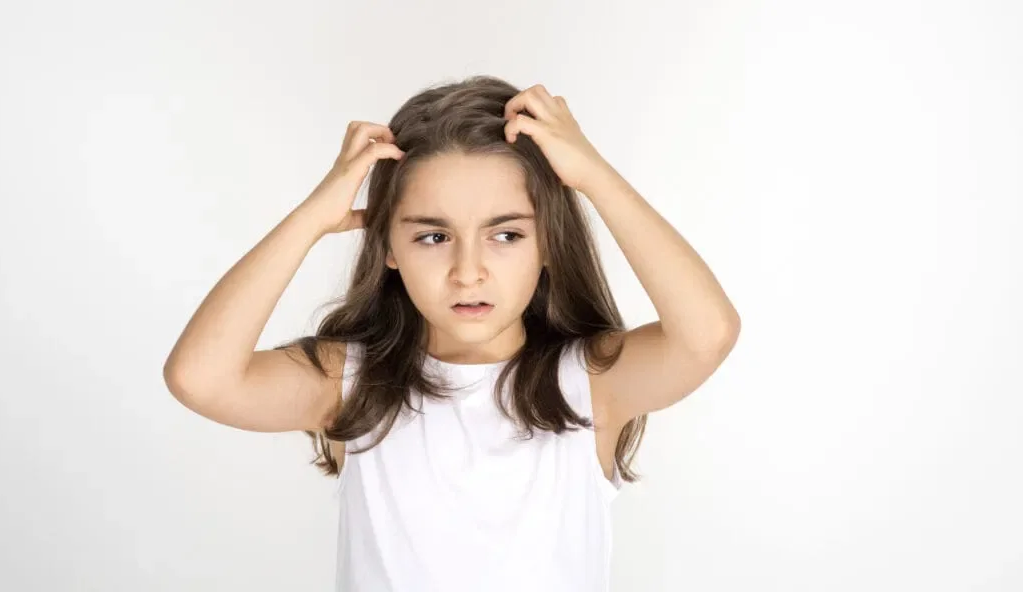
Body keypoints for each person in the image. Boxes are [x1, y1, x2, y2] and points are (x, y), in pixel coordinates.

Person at [163, 75, 740, 592]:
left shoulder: (588, 384)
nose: (469, 271)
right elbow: (200, 378)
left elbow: (706, 335)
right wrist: (312, 217)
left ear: (548, 244)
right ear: (387, 246)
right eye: (433, 237)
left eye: (507, 235)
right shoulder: (352, 384)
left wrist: (593, 176)